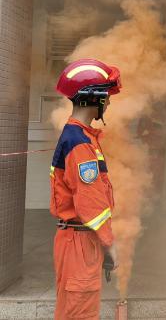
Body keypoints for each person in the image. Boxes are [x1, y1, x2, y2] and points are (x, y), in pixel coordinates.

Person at [49, 58, 122, 319]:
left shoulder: (79, 137)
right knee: (79, 313)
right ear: (94, 98)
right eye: (107, 96)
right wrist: (109, 243)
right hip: (80, 242)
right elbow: (90, 202)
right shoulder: (79, 142)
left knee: (75, 310)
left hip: (79, 239)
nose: (109, 102)